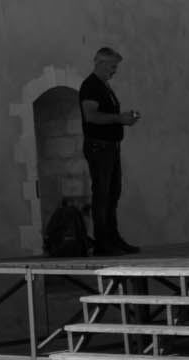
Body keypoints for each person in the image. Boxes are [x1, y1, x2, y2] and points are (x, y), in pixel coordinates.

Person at [79, 46, 142, 255]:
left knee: (112, 194)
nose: (115, 71)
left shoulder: (103, 86)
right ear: (100, 63)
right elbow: (91, 116)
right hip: (99, 147)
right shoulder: (91, 86)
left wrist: (123, 119)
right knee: (103, 194)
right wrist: (119, 119)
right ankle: (103, 242)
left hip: (110, 147)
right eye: (113, 66)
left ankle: (113, 239)